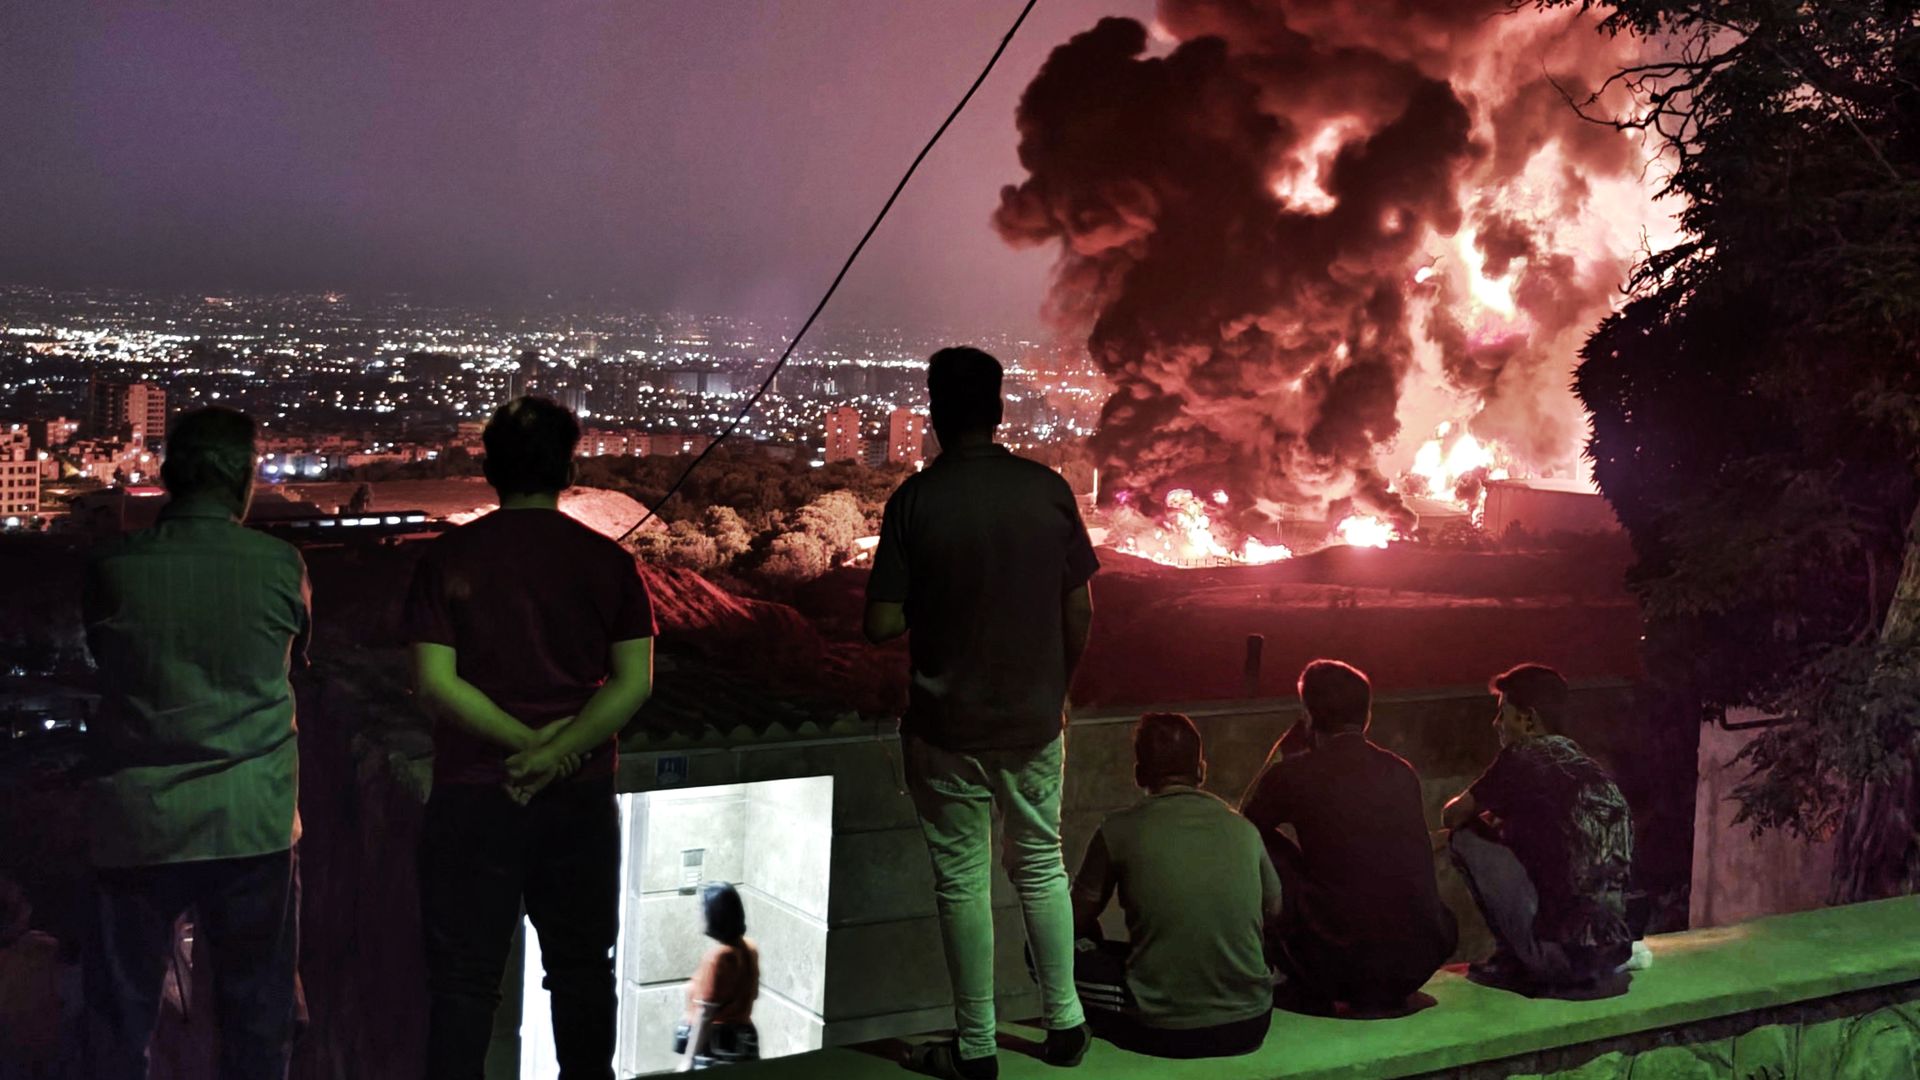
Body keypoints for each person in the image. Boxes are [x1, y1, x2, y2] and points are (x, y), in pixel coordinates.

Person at [404, 396, 656, 1080]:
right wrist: (555, 753)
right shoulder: (607, 563)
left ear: (489, 467)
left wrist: (521, 749)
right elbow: (631, 685)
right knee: (580, 973)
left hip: (471, 799)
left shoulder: (448, 559)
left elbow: (434, 682)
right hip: (578, 801)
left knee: (462, 983)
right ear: (568, 467)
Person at [865, 347, 1095, 1080]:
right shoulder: (1049, 491)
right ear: (999, 410)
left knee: (961, 881)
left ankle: (976, 1048)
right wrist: (1059, 686)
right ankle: (1065, 1025)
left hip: (944, 725)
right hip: (1032, 721)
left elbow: (880, 624)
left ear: (934, 415)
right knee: (1040, 864)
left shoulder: (915, 501)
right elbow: (1080, 608)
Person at [81, 406, 310, 1079]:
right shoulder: (280, 565)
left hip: (138, 819)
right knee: (257, 1019)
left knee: (119, 1019)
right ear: (243, 480)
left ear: (172, 476)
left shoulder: (114, 566)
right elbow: (288, 654)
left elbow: (106, 656)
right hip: (253, 820)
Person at [1240, 660, 1458, 1013]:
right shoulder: (1400, 771)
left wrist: (1280, 754)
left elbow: (1241, 830)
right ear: (1366, 716)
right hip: (1417, 960)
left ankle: (1271, 965)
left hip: (1342, 967)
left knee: (1257, 840)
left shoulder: (1295, 774)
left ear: (1308, 716)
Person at [1068, 714, 1279, 1057]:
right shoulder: (1243, 829)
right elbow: (1276, 910)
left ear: (1139, 774)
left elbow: (1071, 923)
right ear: (1201, 771)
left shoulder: (1118, 829)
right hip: (1251, 1023)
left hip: (1165, 1032)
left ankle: (1076, 1032)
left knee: (1041, 950)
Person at [1443, 663, 1634, 998]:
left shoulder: (1523, 755)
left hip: (1559, 962)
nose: (1496, 724)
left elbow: (1453, 814)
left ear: (1528, 719)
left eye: (1503, 714)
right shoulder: (1589, 770)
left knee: (1464, 836)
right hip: (1610, 956)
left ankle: (1510, 961)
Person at [673, 883, 760, 1072]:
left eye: (701, 908)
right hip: (744, 1039)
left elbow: (705, 1014)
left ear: (715, 912)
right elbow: (753, 994)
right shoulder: (750, 948)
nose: (698, 914)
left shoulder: (717, 957)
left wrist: (688, 1059)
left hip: (717, 1046)